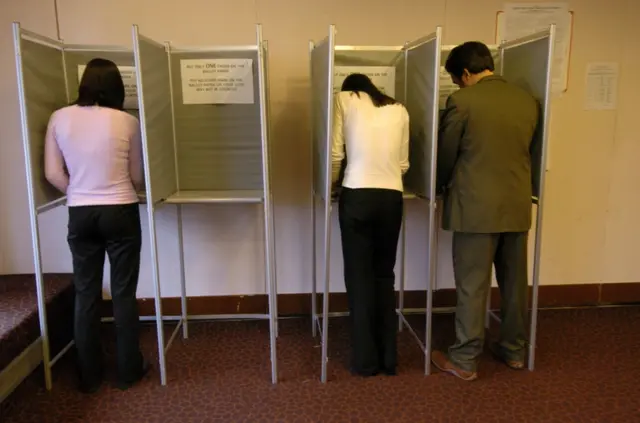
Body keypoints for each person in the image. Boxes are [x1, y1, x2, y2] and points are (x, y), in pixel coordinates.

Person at [430, 42, 540, 381]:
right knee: (514, 283)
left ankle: (464, 358)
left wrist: (437, 185)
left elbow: (447, 155)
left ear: (465, 74)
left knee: (472, 285)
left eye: (457, 79)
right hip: (517, 204)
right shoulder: (527, 101)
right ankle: (514, 351)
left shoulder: (462, 101)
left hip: (475, 207)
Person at [44, 58, 149, 392]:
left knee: (86, 291)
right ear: (118, 87)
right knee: (123, 292)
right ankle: (129, 370)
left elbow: (52, 173)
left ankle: (88, 375)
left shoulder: (59, 118)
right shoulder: (127, 122)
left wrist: (77, 190)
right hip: (120, 211)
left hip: (81, 212)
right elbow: (136, 177)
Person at [331, 73, 410, 376]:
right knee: (383, 276)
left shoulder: (344, 99)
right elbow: (403, 164)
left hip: (357, 195)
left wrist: (332, 185)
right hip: (392, 197)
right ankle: (389, 360)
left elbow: (336, 153)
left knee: (358, 277)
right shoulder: (399, 109)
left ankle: (366, 362)